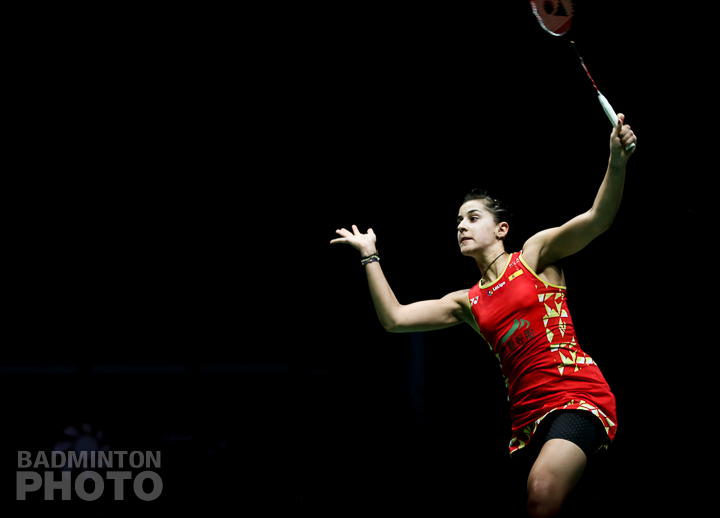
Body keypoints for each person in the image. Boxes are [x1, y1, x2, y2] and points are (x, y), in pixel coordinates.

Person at [330, 114, 637, 517]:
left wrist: (616, 160)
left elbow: (598, 218)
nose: (462, 226)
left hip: (576, 397)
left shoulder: (534, 257)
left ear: (501, 229)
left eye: (473, 218)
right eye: (458, 220)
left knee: (542, 492)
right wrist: (370, 255)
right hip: (527, 419)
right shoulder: (467, 302)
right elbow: (395, 319)